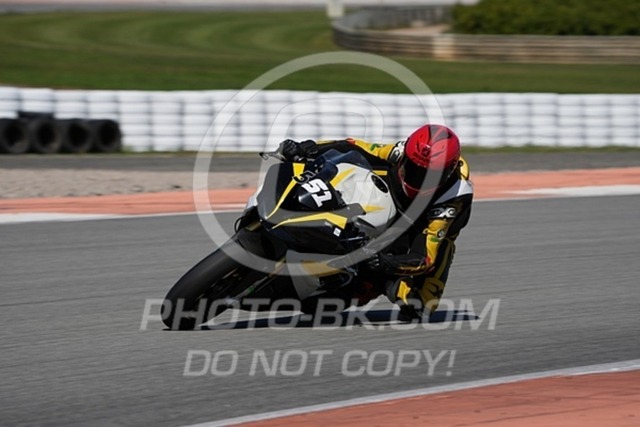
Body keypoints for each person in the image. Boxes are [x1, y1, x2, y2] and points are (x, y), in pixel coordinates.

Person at [279, 124, 473, 320]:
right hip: (394, 201)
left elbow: (426, 258)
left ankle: (382, 283)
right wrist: (309, 148)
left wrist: (386, 263)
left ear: (447, 173)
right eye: (413, 170)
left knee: (419, 305)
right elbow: (353, 146)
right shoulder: (399, 151)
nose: (418, 180)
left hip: (423, 226)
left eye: (429, 177)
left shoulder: (451, 199)